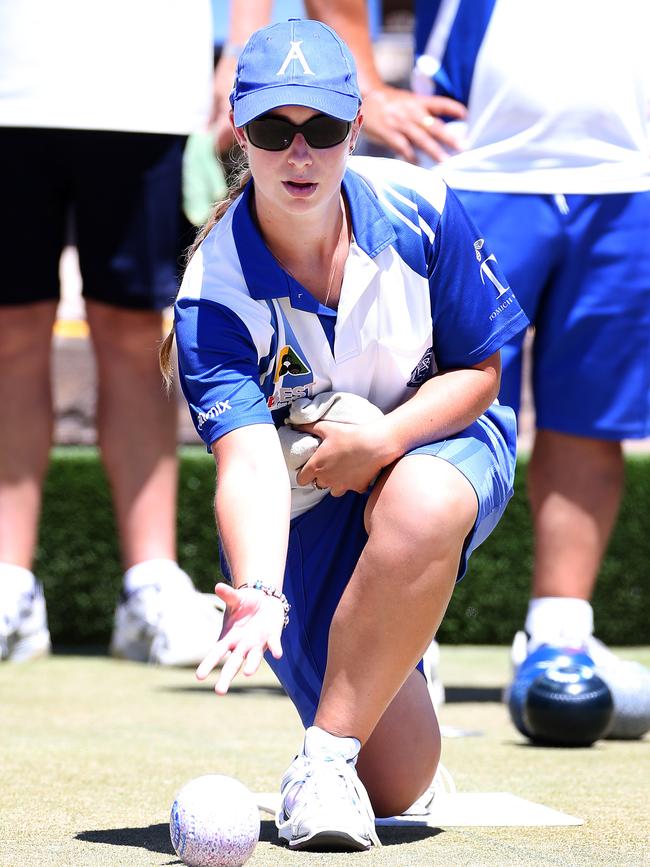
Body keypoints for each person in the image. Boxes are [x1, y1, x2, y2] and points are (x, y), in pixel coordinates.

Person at [161, 18, 527, 849]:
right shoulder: (211, 293)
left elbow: (482, 374)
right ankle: (398, 652)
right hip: (308, 495)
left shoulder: (423, 205)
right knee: (400, 783)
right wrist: (258, 590)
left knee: (424, 498)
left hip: (439, 438)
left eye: (323, 129)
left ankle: (320, 760)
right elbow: (249, 461)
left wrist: (384, 441)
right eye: (273, 130)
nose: (300, 153)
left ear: (356, 129)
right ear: (239, 132)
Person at [299, 0, 650, 735]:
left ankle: (559, 638)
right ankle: (404, 643)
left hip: (631, 176)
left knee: (590, 417)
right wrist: (364, 79)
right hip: (472, 163)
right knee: (431, 409)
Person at [0, 0, 224, 664]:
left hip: (145, 88)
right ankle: (10, 581)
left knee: (134, 330)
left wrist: (241, 44)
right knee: (9, 330)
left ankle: (147, 583)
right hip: (10, 81)